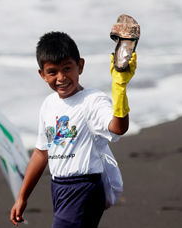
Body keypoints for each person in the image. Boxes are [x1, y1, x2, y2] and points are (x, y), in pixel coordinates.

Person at [10, 31, 136, 227]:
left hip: (85, 188)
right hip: (59, 188)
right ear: (42, 75)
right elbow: (41, 153)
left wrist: (120, 88)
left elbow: (118, 128)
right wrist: (22, 197)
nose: (61, 78)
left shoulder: (92, 101)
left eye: (67, 68)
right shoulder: (49, 104)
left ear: (81, 66)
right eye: (52, 72)